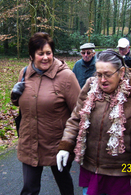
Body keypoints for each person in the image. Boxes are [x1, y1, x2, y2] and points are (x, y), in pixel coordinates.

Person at [57, 49, 131, 195]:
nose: (102, 80)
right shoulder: (90, 87)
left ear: (121, 72)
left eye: (108, 75)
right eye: (99, 74)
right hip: (91, 169)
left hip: (121, 175)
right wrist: (65, 146)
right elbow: (75, 119)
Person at [11, 32, 81, 195]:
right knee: (29, 188)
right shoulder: (24, 73)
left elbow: (79, 112)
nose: (45, 57)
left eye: (48, 53)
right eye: (40, 53)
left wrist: (70, 143)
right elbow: (22, 103)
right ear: (31, 55)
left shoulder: (66, 77)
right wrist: (14, 95)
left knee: (64, 183)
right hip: (30, 142)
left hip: (57, 144)